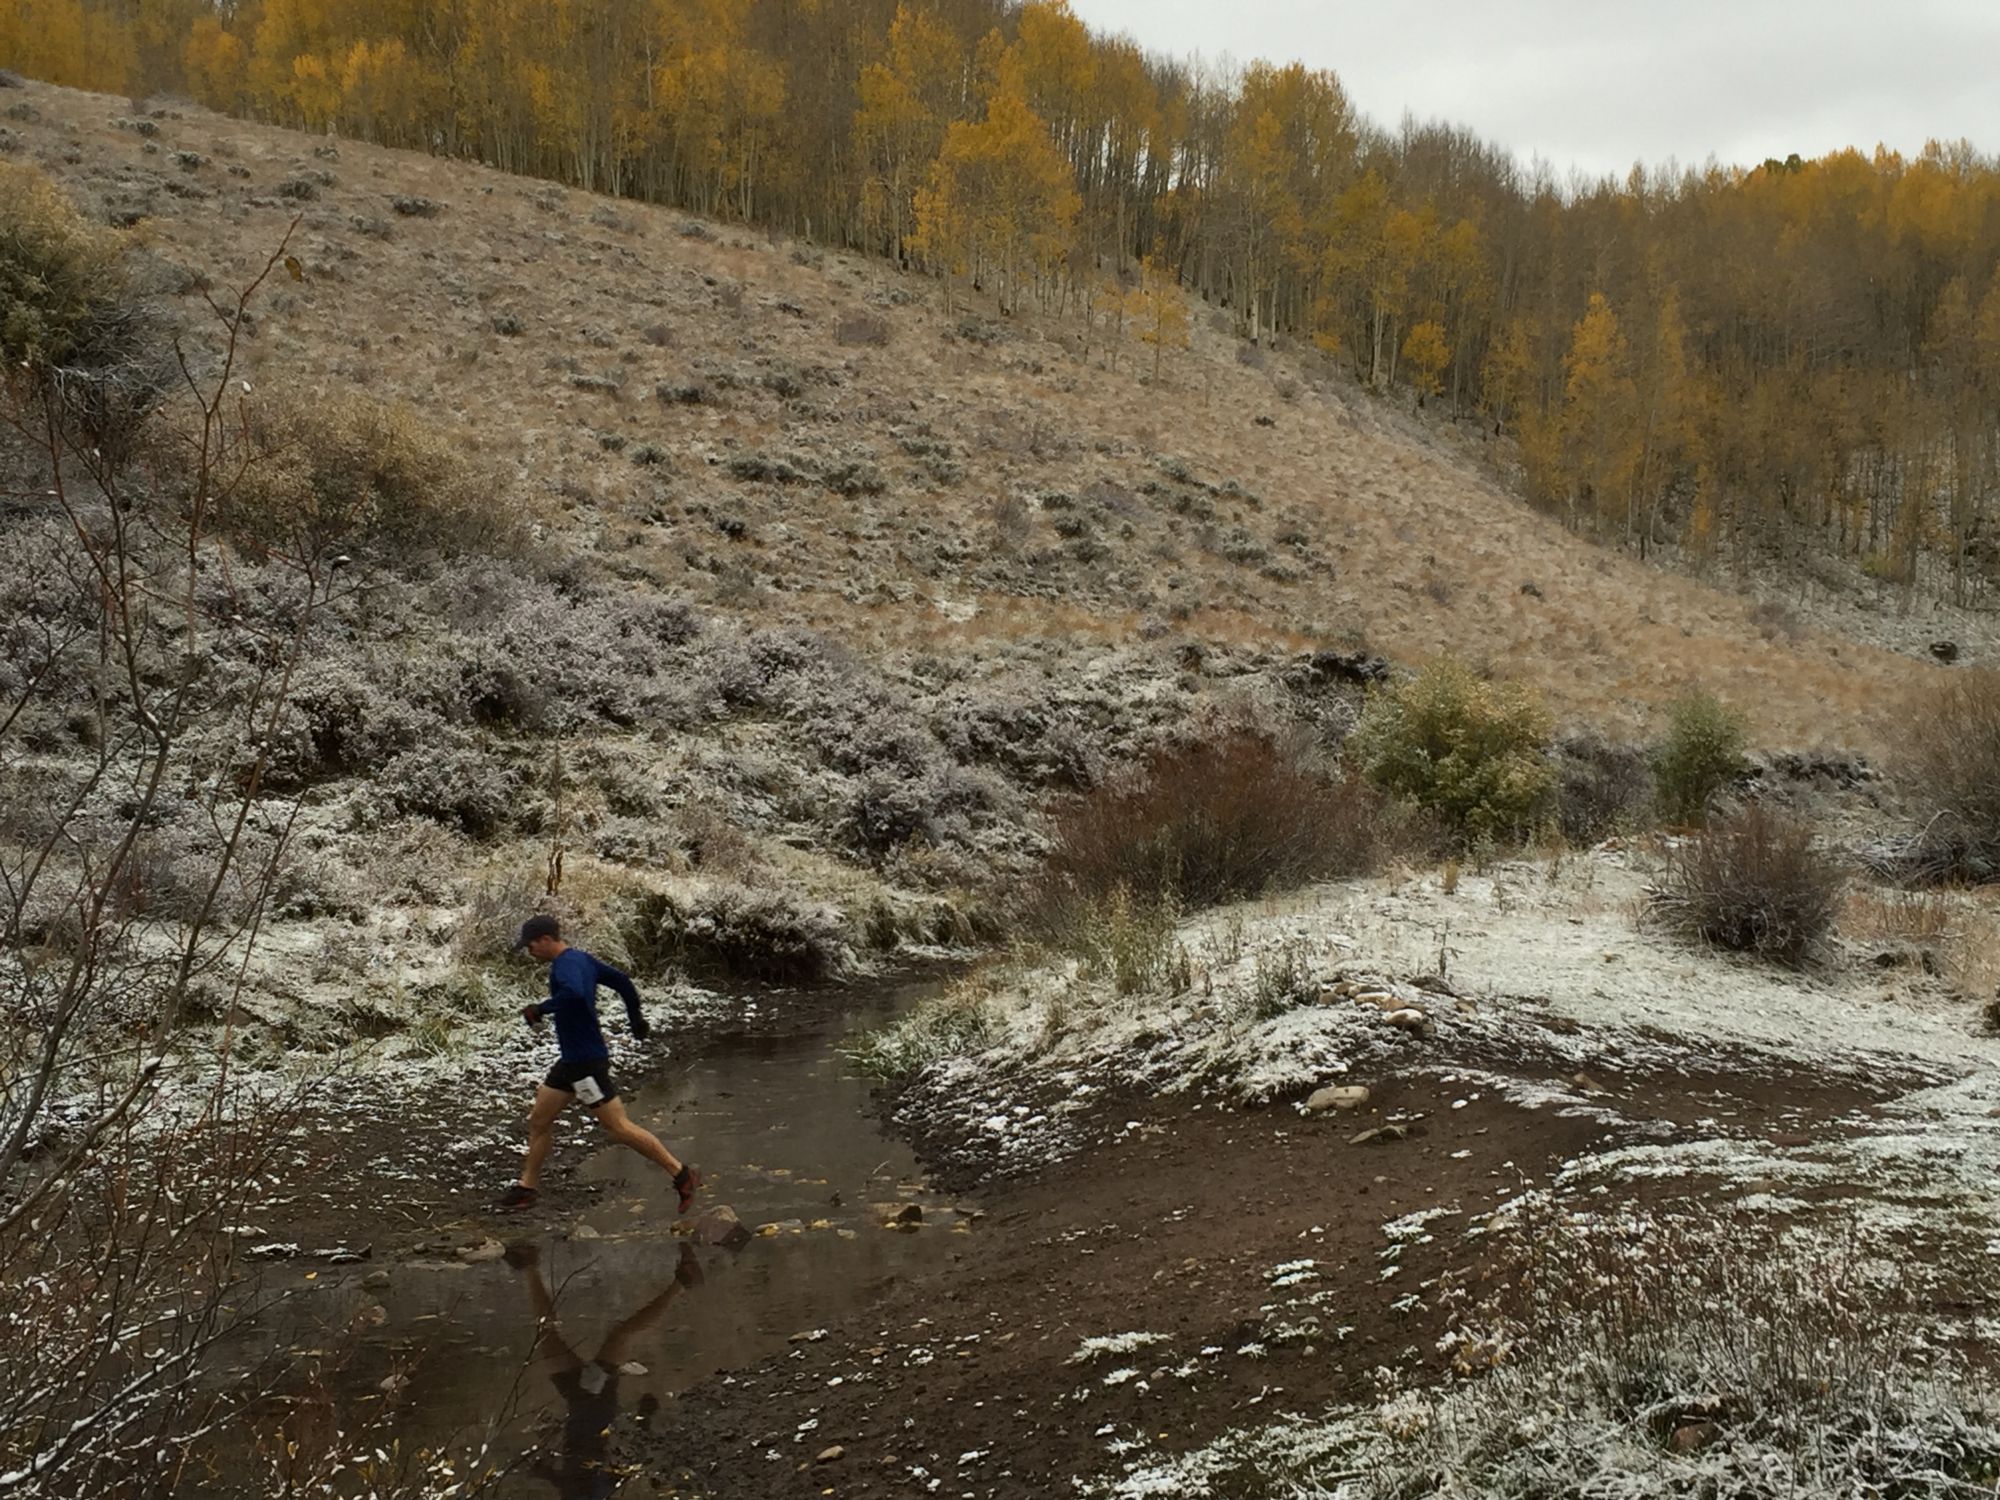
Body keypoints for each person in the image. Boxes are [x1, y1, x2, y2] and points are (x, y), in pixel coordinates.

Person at [497, 913, 700, 1213]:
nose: (530, 952)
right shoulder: (581, 959)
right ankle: (526, 1188)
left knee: (618, 1128)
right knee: (539, 1120)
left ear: (546, 940)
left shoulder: (566, 965)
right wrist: (635, 1020)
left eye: (530, 946)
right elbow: (622, 982)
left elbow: (575, 994)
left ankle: (681, 1173)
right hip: (571, 1063)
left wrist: (541, 1008)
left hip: (585, 1066)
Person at [507, 1240, 703, 1499]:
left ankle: (529, 1264)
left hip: (583, 1401)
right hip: (591, 1399)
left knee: (555, 1336)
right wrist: (644, 1420)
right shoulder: (595, 1494)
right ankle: (682, 1282)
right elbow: (615, 1470)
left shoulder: (588, 1493)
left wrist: (542, 1468)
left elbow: (585, 1474)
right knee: (617, 1336)